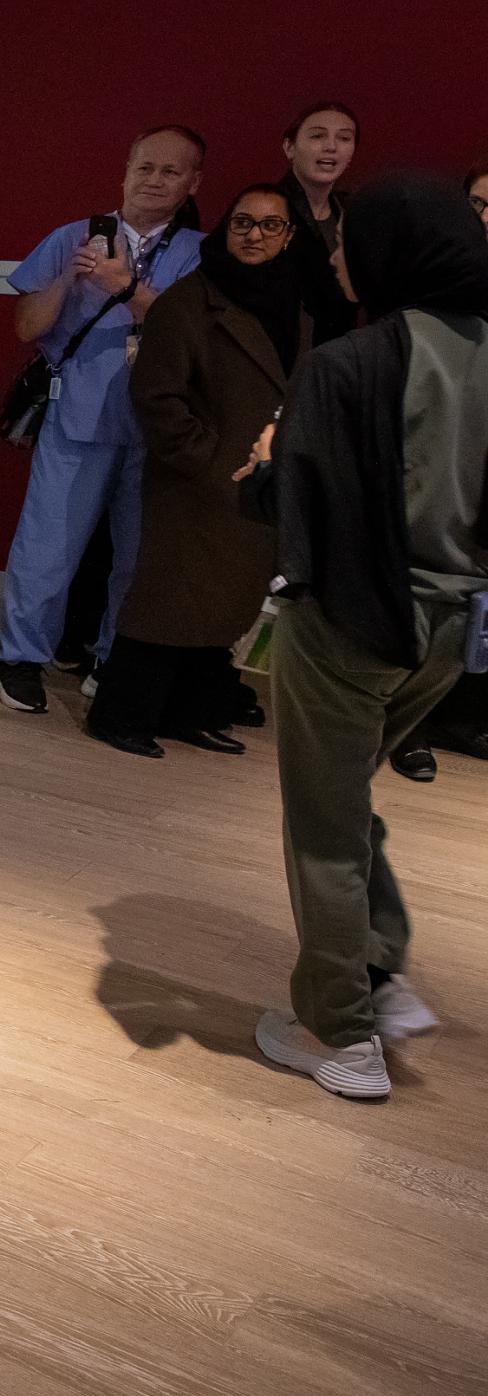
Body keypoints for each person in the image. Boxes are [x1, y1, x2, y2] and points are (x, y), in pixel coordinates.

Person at [247, 174, 487, 1099]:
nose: (337, 254)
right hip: (451, 631)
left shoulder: (347, 364)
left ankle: (339, 1032)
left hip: (350, 625)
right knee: (345, 803)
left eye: (349, 240)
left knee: (324, 827)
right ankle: (380, 977)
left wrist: (264, 465)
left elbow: (298, 511)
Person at [0, 127, 207, 714]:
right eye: (145, 167)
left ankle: (114, 660)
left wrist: (126, 286)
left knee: (139, 555)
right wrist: (68, 278)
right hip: (78, 414)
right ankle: (19, 659)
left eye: (170, 171)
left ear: (193, 183)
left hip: (161, 425)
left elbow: (198, 336)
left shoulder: (201, 253)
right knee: (48, 546)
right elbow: (27, 327)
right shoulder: (71, 237)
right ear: (125, 171)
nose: (155, 180)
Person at [87, 184, 306, 757]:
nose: (254, 234)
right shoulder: (190, 302)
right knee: (167, 604)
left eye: (269, 225)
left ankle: (192, 711)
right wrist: (204, 459)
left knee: (226, 606)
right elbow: (156, 394)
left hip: (256, 482)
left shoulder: (292, 305)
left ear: (288, 237)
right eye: (242, 223)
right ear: (223, 230)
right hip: (198, 484)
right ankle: (121, 714)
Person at [392, 161, 488, 779]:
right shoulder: (433, 270)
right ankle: (406, 728)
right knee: (425, 582)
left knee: (477, 592)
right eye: (479, 202)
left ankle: (462, 716)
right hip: (437, 446)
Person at [278, 102, 361, 345]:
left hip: (338, 357)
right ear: (289, 147)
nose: (331, 147)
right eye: (317, 136)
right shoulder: (264, 209)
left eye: (344, 138)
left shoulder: (354, 214)